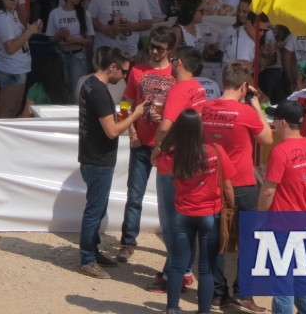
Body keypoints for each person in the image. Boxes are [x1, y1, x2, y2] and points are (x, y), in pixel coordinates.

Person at [202, 62, 273, 312]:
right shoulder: (246, 113)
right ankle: (243, 293)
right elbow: (267, 138)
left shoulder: (205, 108)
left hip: (213, 181)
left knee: (219, 240)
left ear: (224, 82)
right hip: (242, 183)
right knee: (250, 240)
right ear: (244, 86)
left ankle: (216, 294)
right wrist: (255, 104)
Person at [156, 109, 236, 313]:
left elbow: (154, 160)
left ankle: (172, 308)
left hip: (183, 213)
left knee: (177, 265)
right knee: (206, 268)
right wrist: (232, 207)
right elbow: (227, 187)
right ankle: (204, 311)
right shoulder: (216, 152)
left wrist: (165, 144)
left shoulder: (172, 155)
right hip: (210, 213)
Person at [77, 48, 144, 278]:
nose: (125, 76)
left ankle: (92, 252)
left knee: (97, 207)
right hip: (98, 159)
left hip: (92, 156)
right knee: (95, 210)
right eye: (123, 71)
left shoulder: (90, 84)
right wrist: (135, 115)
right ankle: (87, 258)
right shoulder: (97, 91)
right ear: (112, 66)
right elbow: (112, 131)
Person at [259, 100, 306, 314]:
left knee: (282, 278)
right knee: (303, 272)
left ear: (282, 123)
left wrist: (259, 219)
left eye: (275, 120)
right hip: (305, 219)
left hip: (281, 221)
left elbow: (269, 190)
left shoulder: (280, 151)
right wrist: (300, 184)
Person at [150, 46, 209, 294]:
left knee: (171, 222)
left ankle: (176, 273)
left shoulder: (179, 89)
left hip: (172, 160)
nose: (171, 64)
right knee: (185, 219)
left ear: (180, 63)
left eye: (173, 60)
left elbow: (165, 125)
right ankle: (180, 269)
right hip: (191, 158)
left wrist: (157, 147)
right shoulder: (199, 88)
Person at [117, 25, 176, 264]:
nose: (153, 51)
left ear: (170, 49)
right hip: (141, 143)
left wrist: (165, 122)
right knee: (135, 195)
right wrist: (131, 132)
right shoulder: (137, 71)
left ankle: (173, 246)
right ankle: (128, 242)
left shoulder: (177, 73)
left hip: (166, 145)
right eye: (151, 46)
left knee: (170, 200)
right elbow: (124, 103)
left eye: (159, 48)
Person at [0, 0, 41, 118]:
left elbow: (18, 41)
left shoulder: (11, 13)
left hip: (17, 67)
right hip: (11, 69)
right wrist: (29, 31)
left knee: (13, 110)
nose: (15, 1)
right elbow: (11, 48)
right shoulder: (3, 18)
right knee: (8, 111)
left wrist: (31, 30)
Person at [88, 0, 153, 58]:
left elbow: (148, 23)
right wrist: (103, 28)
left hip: (128, 53)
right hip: (103, 52)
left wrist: (133, 26)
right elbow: (89, 19)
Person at [46, 0, 95, 91]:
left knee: (76, 88)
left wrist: (74, 39)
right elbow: (49, 39)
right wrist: (59, 36)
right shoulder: (55, 13)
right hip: (61, 54)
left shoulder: (84, 13)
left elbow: (90, 40)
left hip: (77, 55)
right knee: (62, 87)